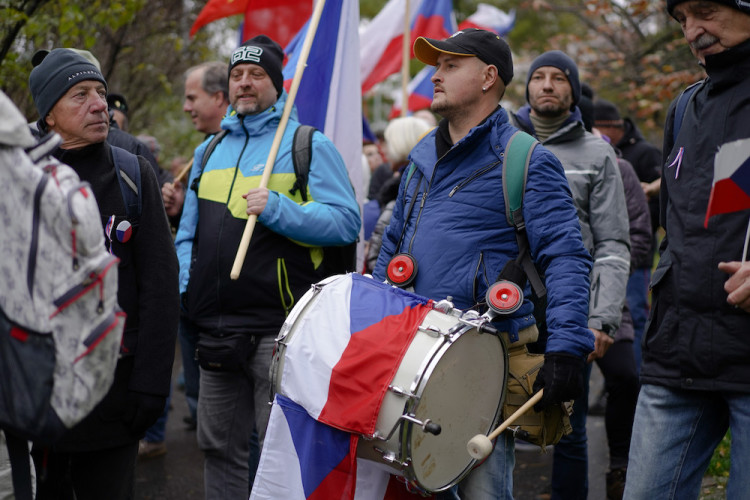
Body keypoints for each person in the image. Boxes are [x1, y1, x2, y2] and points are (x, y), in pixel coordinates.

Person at [373, 28, 595, 499]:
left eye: (451, 65)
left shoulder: (527, 160)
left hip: (482, 365)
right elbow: (390, 251)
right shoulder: (418, 162)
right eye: (437, 66)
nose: (435, 76)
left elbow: (567, 258)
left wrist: (567, 348)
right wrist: (370, 330)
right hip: (409, 355)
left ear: (488, 77)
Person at [174, 35, 360, 499]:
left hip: (279, 329)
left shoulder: (307, 145)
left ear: (277, 84)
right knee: (217, 447)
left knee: (279, 452)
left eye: (257, 74)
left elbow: (346, 222)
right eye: (237, 74)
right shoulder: (209, 150)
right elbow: (188, 235)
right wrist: (185, 286)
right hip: (215, 326)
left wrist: (278, 207)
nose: (245, 82)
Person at [27, 48, 178, 500]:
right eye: (80, 95)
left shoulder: (133, 174)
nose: (99, 105)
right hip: (37, 397)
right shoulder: (18, 178)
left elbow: (160, 286)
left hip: (115, 397)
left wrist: (151, 386)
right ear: (49, 114)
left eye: (101, 92)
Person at [624, 2, 750, 498]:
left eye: (705, 12)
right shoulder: (683, 107)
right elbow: (678, 226)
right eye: (681, 21)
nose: (692, 31)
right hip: (676, 358)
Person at [510, 50, 631, 500]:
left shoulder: (598, 154)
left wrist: (600, 319)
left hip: (569, 306)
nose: (546, 85)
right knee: (488, 421)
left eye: (558, 78)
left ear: (573, 91)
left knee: (570, 428)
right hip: (504, 306)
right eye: (538, 77)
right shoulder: (502, 142)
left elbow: (614, 243)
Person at [162, 61, 230, 435]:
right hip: (194, 300)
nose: (186, 107)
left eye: (192, 98)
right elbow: (196, 229)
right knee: (211, 434)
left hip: (225, 310)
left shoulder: (243, 155)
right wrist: (176, 213)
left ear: (218, 98)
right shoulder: (204, 151)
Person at [594, 98, 662, 372]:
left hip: (636, 254)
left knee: (633, 316)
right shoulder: (599, 151)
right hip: (606, 256)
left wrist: (644, 233)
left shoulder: (645, 153)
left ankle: (639, 374)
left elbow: (664, 196)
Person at [365, 116, 432, 273]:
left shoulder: (412, 184)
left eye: (388, 142)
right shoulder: (399, 180)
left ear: (400, 143)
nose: (383, 149)